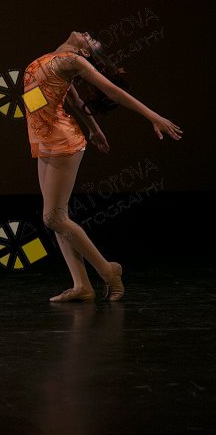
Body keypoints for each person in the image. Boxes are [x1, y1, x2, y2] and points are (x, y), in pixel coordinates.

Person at [24, 31, 182, 302]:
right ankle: (82, 286)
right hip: (43, 139)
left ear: (85, 53)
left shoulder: (74, 60)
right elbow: (73, 99)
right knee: (58, 219)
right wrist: (94, 129)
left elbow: (113, 92)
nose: (88, 34)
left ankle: (108, 271)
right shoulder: (54, 59)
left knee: (53, 218)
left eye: (92, 41)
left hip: (62, 140)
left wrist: (153, 116)